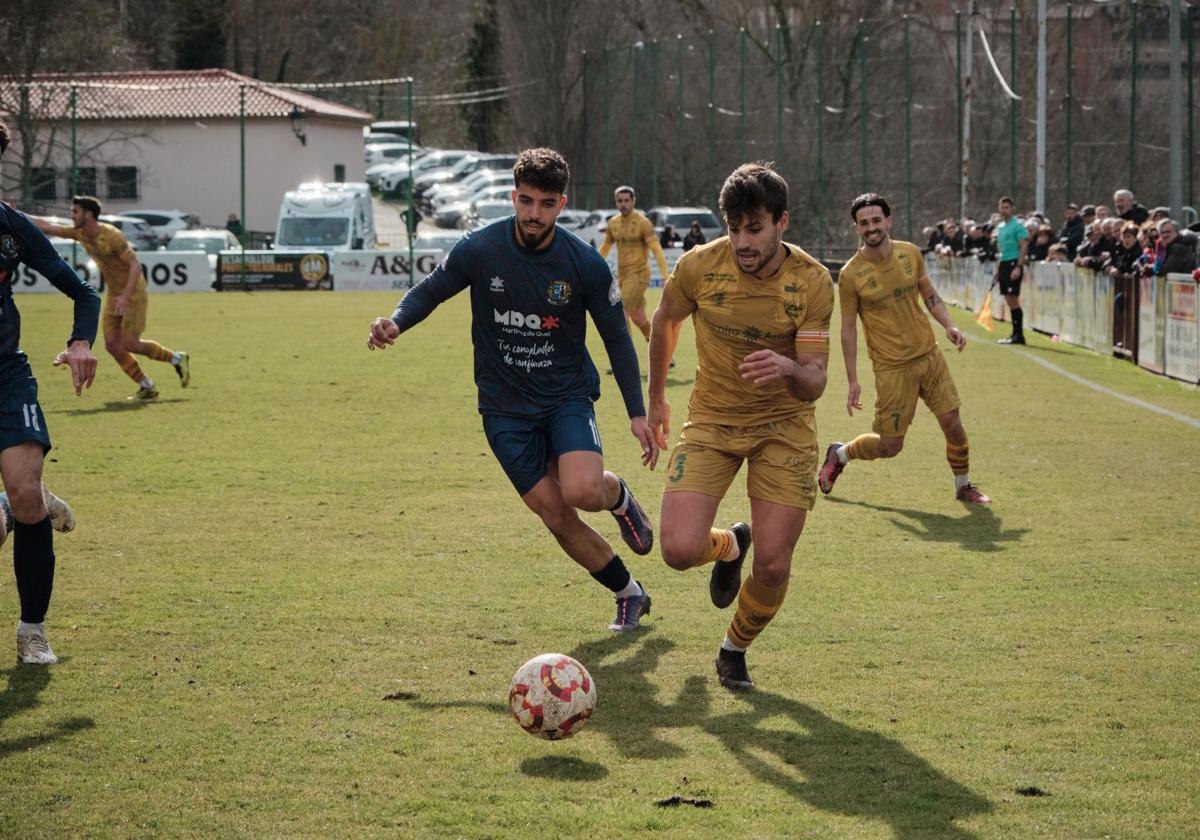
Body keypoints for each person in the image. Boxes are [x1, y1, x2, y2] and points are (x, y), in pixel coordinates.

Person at [366, 148, 658, 632]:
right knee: (556, 515)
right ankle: (629, 592)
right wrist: (395, 322)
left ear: (561, 204)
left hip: (564, 395)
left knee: (583, 490)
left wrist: (637, 412)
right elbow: (430, 291)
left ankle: (618, 496)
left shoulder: (583, 264)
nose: (533, 214)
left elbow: (617, 338)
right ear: (512, 196)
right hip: (503, 409)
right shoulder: (480, 249)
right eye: (525, 201)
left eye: (545, 204)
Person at [646, 162, 833, 691]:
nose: (743, 241)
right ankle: (729, 544)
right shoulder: (700, 266)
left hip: (784, 427)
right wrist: (657, 399)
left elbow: (816, 382)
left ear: (782, 223)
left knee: (773, 567)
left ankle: (733, 650)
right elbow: (665, 319)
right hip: (711, 418)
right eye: (734, 228)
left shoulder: (813, 282)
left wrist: (788, 367)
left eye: (754, 228)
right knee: (679, 550)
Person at [0, 119, 100, 664]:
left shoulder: (11, 227)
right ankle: (13, 507)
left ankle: (31, 632)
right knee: (8, 512)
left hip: (7, 375)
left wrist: (81, 342)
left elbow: (82, 292)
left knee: (25, 494)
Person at [819, 192, 991, 510]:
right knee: (890, 446)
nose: (871, 227)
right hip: (892, 368)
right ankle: (840, 453)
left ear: (889, 220)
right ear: (856, 228)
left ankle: (963, 485)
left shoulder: (910, 253)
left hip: (929, 355)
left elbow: (929, 293)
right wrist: (853, 380)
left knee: (952, 422)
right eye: (864, 223)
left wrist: (949, 325)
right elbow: (847, 329)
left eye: (876, 220)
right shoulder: (850, 274)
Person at [30, 197, 190, 400]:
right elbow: (48, 227)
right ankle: (147, 385)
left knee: (130, 343)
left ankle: (177, 359)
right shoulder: (80, 233)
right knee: (113, 344)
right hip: (115, 294)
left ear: (88, 214)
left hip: (133, 293)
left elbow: (135, 266)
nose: (72, 215)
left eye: (76, 211)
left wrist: (125, 296)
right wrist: (15, 215)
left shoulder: (112, 235)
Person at [599, 186, 669, 348]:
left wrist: (666, 276)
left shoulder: (643, 223)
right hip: (623, 276)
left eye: (626, 200)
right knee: (638, 318)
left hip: (639, 274)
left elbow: (657, 250)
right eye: (620, 201)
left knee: (620, 309)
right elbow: (605, 247)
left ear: (633, 201)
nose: (623, 204)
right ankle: (664, 351)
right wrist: (591, 265)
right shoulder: (613, 223)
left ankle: (625, 357)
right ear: (616, 202)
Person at [993, 196, 1030, 345]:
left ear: (1012, 209)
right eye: (1002, 207)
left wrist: (1019, 266)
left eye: (1007, 207)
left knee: (1013, 300)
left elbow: (1023, 246)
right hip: (1004, 263)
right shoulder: (1000, 227)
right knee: (1009, 299)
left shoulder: (1018, 225)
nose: (1004, 210)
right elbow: (1001, 250)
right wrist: (998, 270)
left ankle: (1019, 336)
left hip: (1013, 263)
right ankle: (1014, 333)